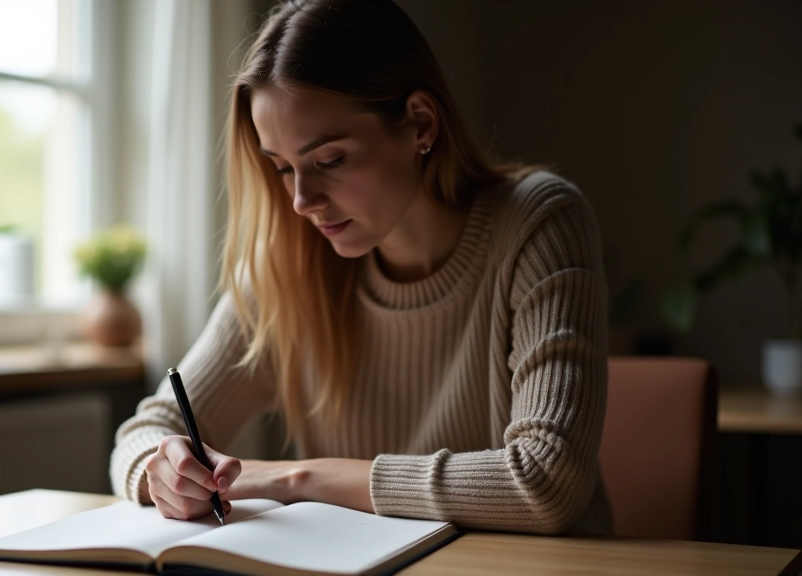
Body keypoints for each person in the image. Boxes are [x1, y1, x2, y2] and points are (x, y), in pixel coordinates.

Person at [110, 0, 612, 535]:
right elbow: (147, 431)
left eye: (329, 160)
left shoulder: (537, 223)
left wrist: (298, 480)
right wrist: (161, 471)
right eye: (282, 167)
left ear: (420, 123)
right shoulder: (291, 262)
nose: (302, 200)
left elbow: (546, 481)